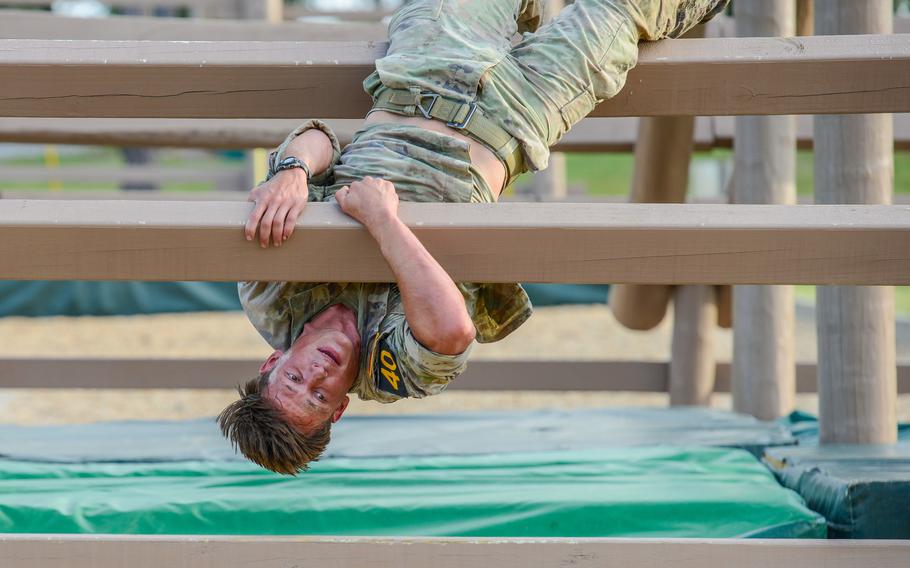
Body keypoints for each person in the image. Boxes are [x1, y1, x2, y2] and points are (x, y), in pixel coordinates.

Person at [218, 0, 729, 475]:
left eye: (294, 380)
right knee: (623, 9)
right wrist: (381, 221)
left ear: (273, 362)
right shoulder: (392, 373)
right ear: (341, 408)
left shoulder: (269, 297)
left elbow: (319, 139)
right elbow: (452, 333)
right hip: (513, 115)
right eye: (320, 398)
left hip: (421, 70)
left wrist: (291, 170)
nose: (317, 376)